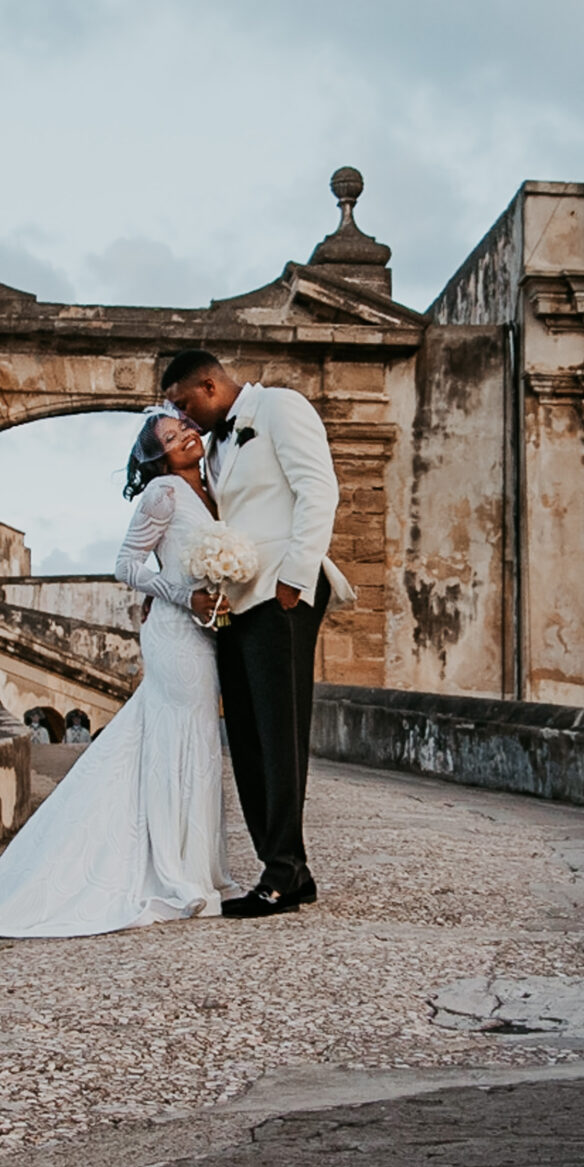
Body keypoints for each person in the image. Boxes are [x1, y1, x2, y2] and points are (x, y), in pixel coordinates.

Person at [0, 407, 240, 941]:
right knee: (174, 742)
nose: (186, 436)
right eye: (171, 436)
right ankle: (174, 869)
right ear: (158, 455)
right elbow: (127, 564)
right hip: (173, 631)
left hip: (203, 635)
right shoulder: (162, 493)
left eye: (185, 426)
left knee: (196, 741)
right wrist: (183, 594)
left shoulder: (211, 488)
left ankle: (193, 863)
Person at [162, 348, 353, 917]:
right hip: (236, 603)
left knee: (279, 735)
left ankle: (283, 873)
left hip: (282, 594)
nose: (184, 417)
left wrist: (295, 578)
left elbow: (319, 491)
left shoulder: (280, 408)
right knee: (244, 738)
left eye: (184, 403)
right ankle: (288, 865)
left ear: (209, 384)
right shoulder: (215, 445)